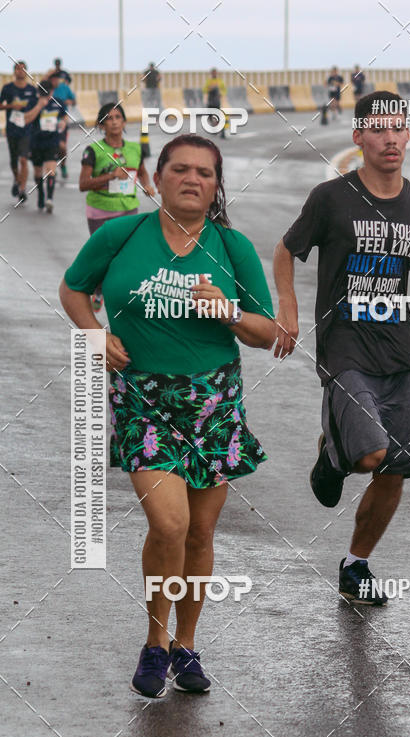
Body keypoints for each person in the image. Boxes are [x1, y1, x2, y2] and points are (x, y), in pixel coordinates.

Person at [60, 134, 277, 698]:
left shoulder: (232, 248)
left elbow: (268, 334)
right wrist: (94, 334)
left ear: (215, 186)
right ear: (156, 179)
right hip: (143, 399)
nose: (191, 179)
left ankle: (186, 646)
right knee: (170, 523)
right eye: (179, 169)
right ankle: (154, 644)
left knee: (201, 530)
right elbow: (73, 289)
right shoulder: (121, 234)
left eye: (204, 172)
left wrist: (227, 312)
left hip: (214, 403)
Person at [272, 91, 410, 605]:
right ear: (358, 136)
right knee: (370, 454)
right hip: (344, 345)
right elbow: (286, 248)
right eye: (378, 129)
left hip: (400, 350)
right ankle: (335, 455)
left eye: (399, 129)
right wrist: (288, 306)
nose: (390, 138)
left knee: (398, 467)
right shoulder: (331, 198)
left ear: (409, 135)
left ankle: (356, 563)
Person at [79, 102, 154, 309]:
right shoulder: (93, 150)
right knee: (103, 255)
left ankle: (119, 293)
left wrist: (147, 184)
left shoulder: (135, 148)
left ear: (124, 121)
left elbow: (142, 171)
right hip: (100, 210)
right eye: (108, 119)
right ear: (102, 125)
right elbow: (83, 184)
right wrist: (110, 175)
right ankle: (98, 288)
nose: (114, 122)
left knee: (125, 255)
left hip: (128, 209)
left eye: (117, 117)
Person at [0, 60, 39, 203]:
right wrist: (11, 106)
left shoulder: (32, 90)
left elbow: (37, 111)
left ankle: (22, 190)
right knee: (13, 161)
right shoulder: (8, 88)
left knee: (23, 160)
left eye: (23, 69)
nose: (20, 71)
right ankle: (17, 179)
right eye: (17, 69)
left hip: (26, 131)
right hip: (12, 130)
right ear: (14, 72)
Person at [30, 77, 68, 213]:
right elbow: (27, 118)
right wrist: (39, 105)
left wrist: (63, 122)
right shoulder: (33, 102)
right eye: (43, 93)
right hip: (36, 142)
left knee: (51, 170)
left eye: (48, 93)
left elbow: (65, 116)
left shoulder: (58, 103)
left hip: (52, 141)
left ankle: (50, 199)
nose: (47, 96)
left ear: (52, 91)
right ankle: (41, 194)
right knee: (37, 172)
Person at [51, 76, 76, 179]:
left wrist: (67, 102)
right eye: (53, 78)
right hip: (47, 126)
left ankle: (63, 165)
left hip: (61, 124)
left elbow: (73, 101)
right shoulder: (45, 89)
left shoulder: (64, 88)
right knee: (50, 148)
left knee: (62, 147)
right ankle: (52, 168)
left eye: (57, 78)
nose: (55, 80)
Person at [203, 68, 227, 139]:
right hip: (210, 100)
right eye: (213, 73)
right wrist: (210, 88)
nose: (214, 74)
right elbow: (204, 89)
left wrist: (221, 94)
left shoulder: (220, 81)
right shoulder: (209, 81)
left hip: (217, 101)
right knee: (209, 116)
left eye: (215, 73)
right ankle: (214, 126)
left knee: (218, 115)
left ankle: (220, 130)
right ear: (211, 73)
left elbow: (224, 89)